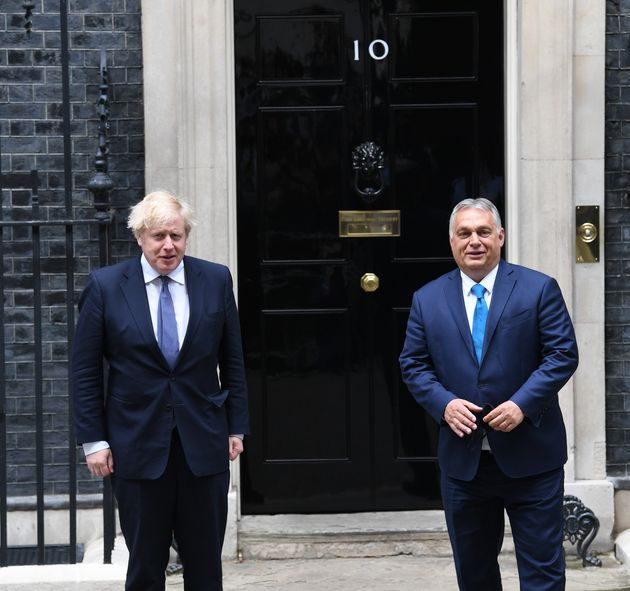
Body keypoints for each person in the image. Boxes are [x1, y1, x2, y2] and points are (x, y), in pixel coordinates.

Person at [72, 190, 249, 591]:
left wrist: (236, 427)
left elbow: (233, 359)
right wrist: (94, 441)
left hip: (203, 445)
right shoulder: (106, 286)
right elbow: (84, 370)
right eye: (158, 237)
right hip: (136, 446)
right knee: (146, 569)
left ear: (186, 237)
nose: (168, 246)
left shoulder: (216, 279)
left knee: (205, 569)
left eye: (176, 235)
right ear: (139, 237)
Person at [399, 197, 578, 590]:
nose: (474, 241)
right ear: (451, 242)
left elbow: (563, 354)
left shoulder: (538, 288)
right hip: (464, 466)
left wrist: (521, 404)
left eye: (483, 232)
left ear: (500, 237)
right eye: (464, 233)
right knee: (475, 574)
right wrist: (443, 404)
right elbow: (413, 365)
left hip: (533, 459)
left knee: (543, 573)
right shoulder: (427, 299)